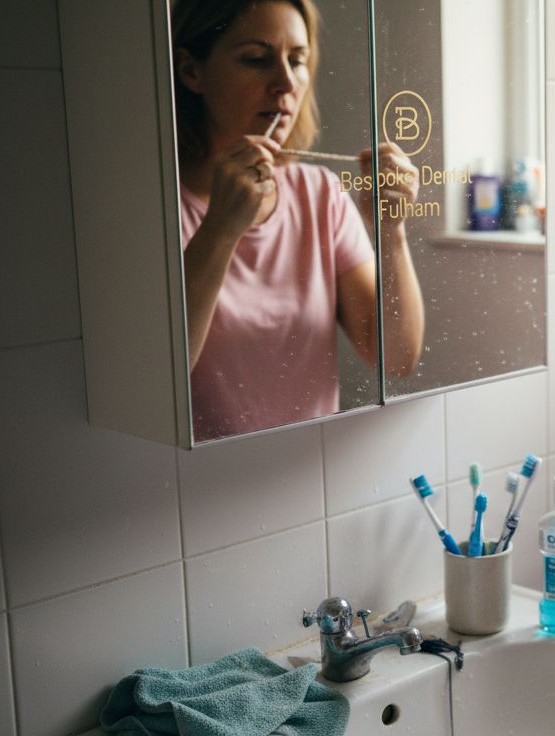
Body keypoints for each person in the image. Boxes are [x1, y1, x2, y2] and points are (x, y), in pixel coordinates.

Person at [172, 0, 424, 440]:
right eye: (256, 59)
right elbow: (160, 376)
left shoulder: (319, 194)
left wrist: (392, 232)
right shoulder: (155, 209)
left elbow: (395, 358)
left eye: (298, 60)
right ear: (192, 72)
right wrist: (221, 229)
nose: (286, 82)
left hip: (309, 478)